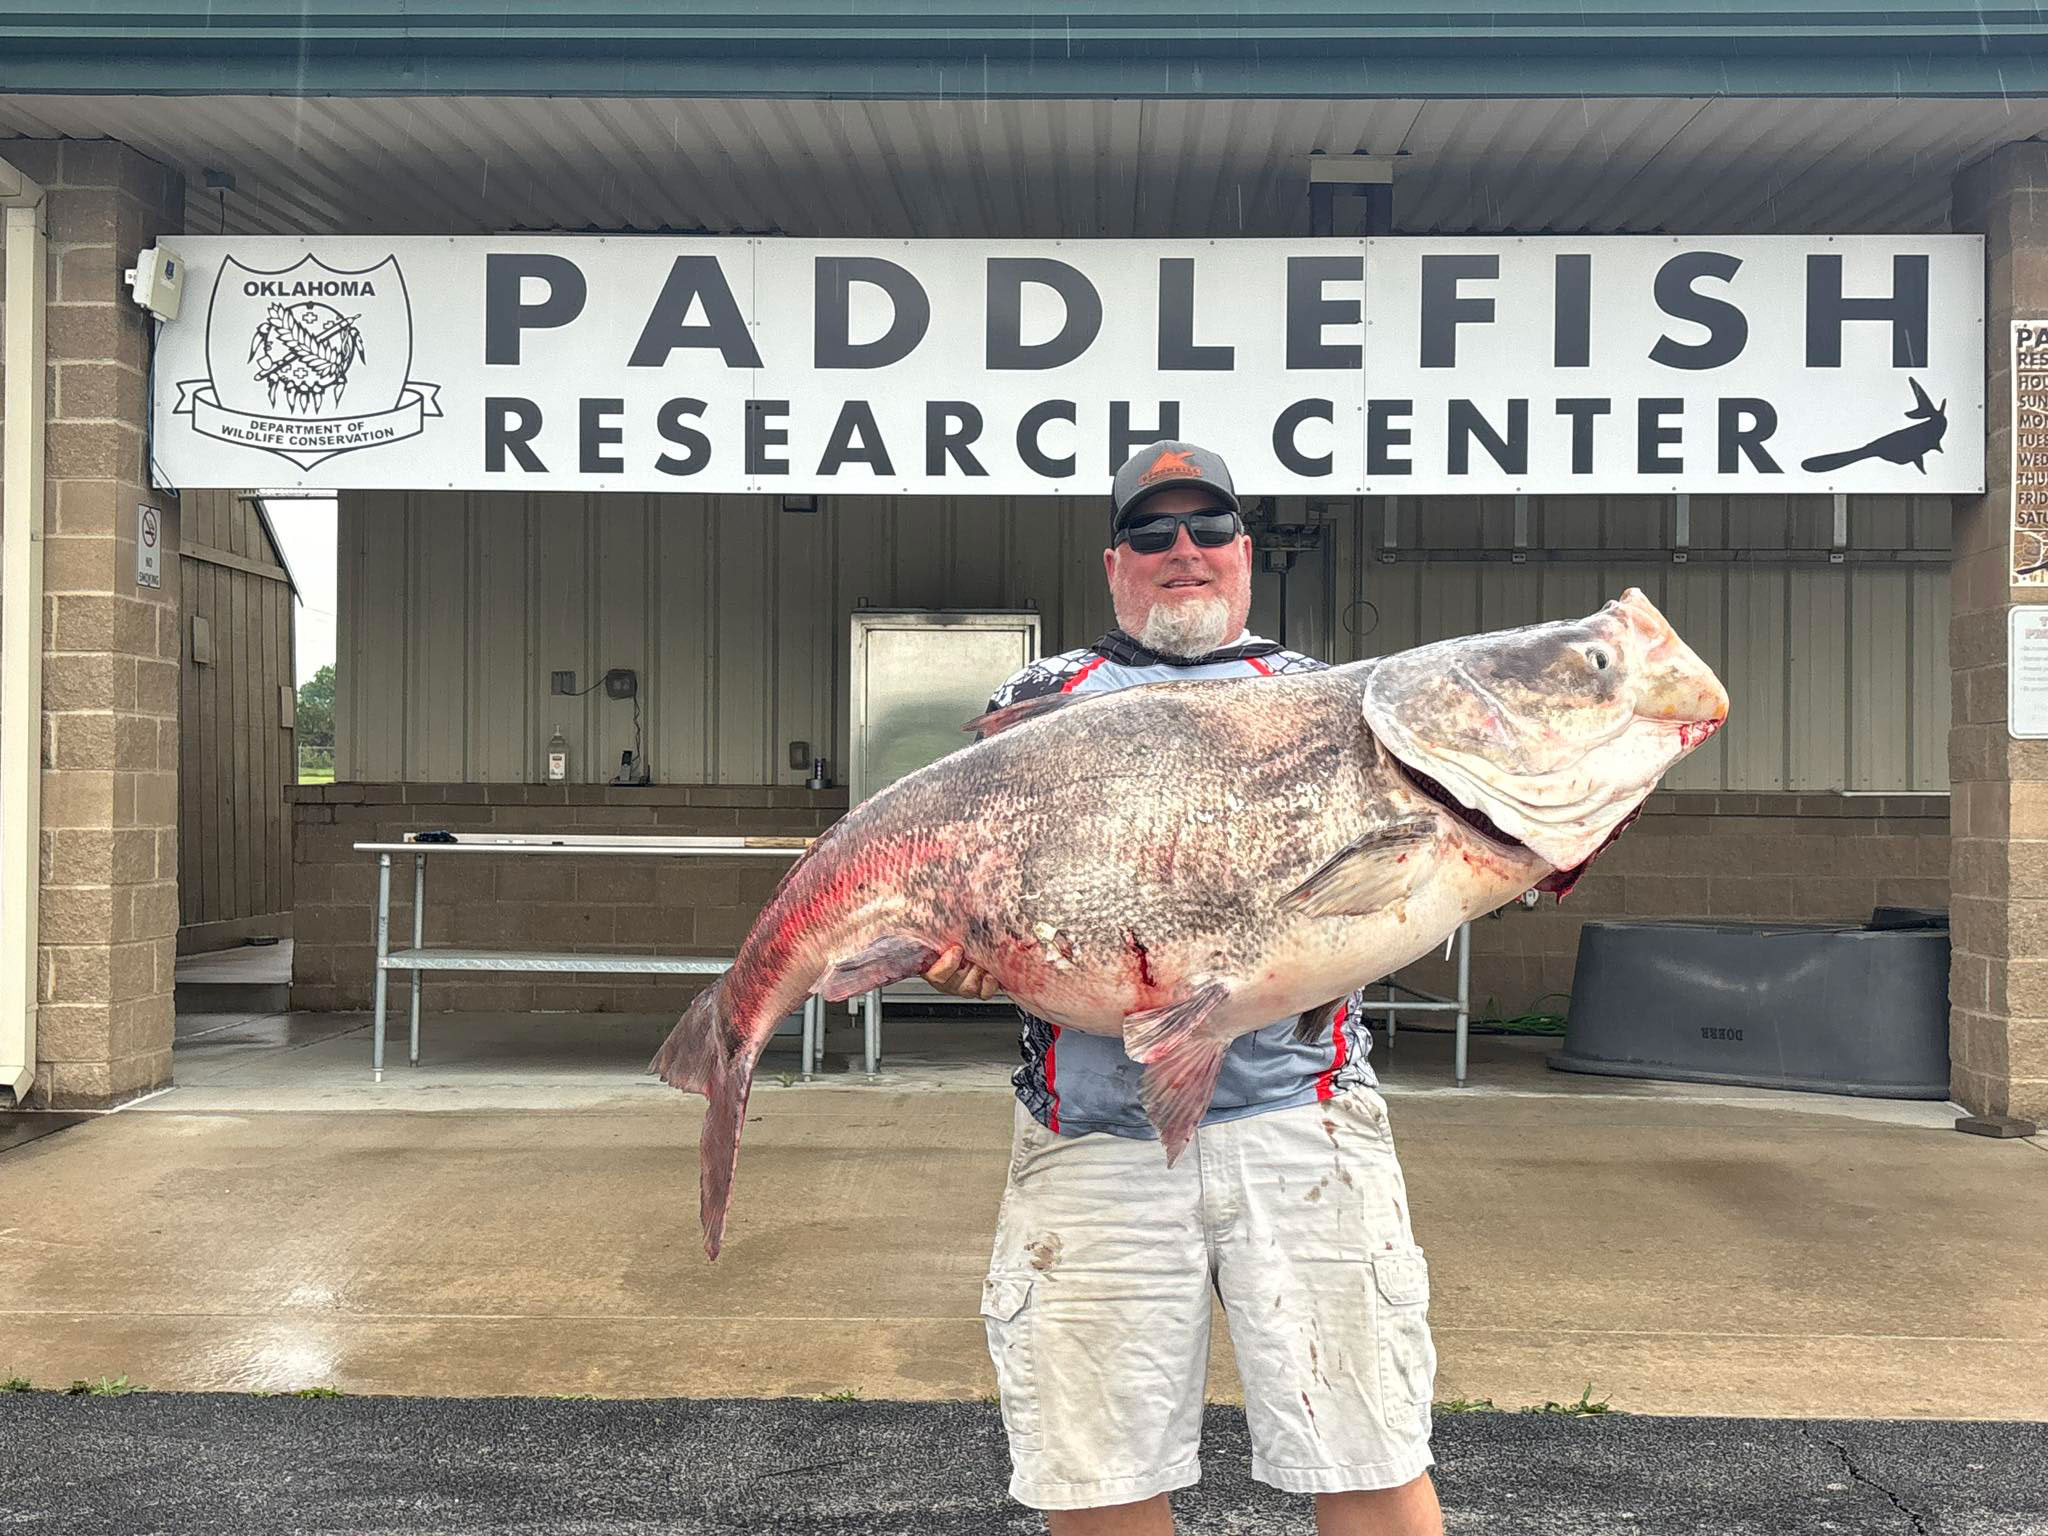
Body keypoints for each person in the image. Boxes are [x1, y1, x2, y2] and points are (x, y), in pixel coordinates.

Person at [924, 441, 1445, 1536]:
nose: (1182, 552)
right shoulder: (1040, 699)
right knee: (1098, 1477)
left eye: (1207, 529)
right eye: (1152, 534)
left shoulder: (1324, 701)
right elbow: (973, 877)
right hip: (1094, 1135)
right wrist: (968, 946)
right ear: (1113, 563)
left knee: (1367, 1450)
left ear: (1245, 554)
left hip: (1301, 1123)